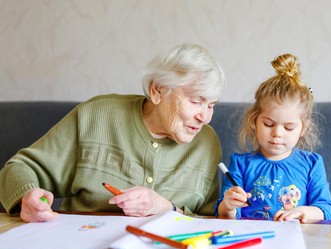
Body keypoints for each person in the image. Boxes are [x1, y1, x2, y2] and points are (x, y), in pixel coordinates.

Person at [0, 43, 226, 222]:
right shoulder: (96, 116)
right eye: (196, 101)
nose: (204, 117)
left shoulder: (206, 143)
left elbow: (210, 219)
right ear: (158, 91)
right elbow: (19, 168)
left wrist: (169, 209)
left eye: (211, 105)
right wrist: (27, 197)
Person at [214, 53, 331, 223]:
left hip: (296, 241)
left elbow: (327, 208)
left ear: (303, 128)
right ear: (254, 121)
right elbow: (224, 215)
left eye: (288, 127)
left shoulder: (312, 164)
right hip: (253, 240)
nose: (277, 133)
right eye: (269, 124)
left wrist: (304, 212)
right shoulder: (241, 164)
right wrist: (228, 205)